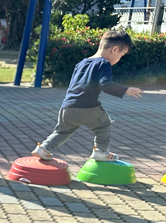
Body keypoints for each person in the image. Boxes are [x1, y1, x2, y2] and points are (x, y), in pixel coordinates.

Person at [33, 29, 141, 162]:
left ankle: (44, 148)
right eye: (121, 55)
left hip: (67, 107)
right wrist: (125, 90)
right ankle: (101, 151)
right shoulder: (104, 63)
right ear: (115, 49)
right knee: (103, 124)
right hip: (88, 107)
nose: (119, 59)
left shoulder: (81, 63)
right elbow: (105, 85)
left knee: (62, 131)